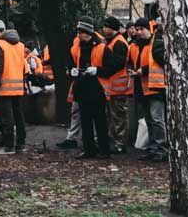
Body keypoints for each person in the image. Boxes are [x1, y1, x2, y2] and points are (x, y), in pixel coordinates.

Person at [69, 18, 110, 159]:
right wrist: (72, 71)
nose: (79, 35)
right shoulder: (77, 47)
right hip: (82, 87)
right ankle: (89, 149)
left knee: (100, 120)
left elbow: (111, 68)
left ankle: (104, 150)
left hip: (97, 88)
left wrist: (97, 70)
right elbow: (71, 63)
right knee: (85, 121)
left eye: (81, 32)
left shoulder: (102, 48)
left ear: (88, 32)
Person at [0, 20, 27, 154]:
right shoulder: (20, 45)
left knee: (6, 117)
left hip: (4, 87)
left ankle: (8, 146)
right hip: (18, 86)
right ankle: (21, 143)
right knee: (18, 115)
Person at [130, 19, 167, 163]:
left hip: (155, 86)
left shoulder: (155, 43)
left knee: (157, 119)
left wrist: (143, 70)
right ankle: (153, 148)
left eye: (142, 29)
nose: (139, 32)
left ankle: (161, 148)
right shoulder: (134, 46)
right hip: (141, 87)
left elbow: (158, 62)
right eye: (137, 29)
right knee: (149, 120)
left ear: (149, 29)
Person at [100, 16, 131, 153]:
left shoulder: (118, 43)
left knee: (118, 115)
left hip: (118, 86)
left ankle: (120, 143)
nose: (104, 29)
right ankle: (116, 141)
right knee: (113, 115)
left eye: (106, 27)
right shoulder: (112, 42)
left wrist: (104, 71)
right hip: (112, 86)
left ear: (112, 28)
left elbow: (117, 64)